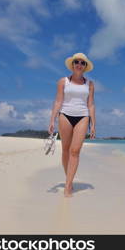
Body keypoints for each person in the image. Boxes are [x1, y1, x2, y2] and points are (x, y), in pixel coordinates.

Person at [48, 52, 96, 197]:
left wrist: (93, 124)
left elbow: (91, 105)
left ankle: (68, 185)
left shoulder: (90, 84)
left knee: (75, 151)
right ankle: (68, 177)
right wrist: (52, 119)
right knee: (65, 150)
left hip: (83, 117)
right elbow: (58, 101)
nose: (79, 65)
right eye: (77, 62)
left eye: (82, 63)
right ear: (72, 64)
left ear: (85, 66)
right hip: (65, 116)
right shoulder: (63, 82)